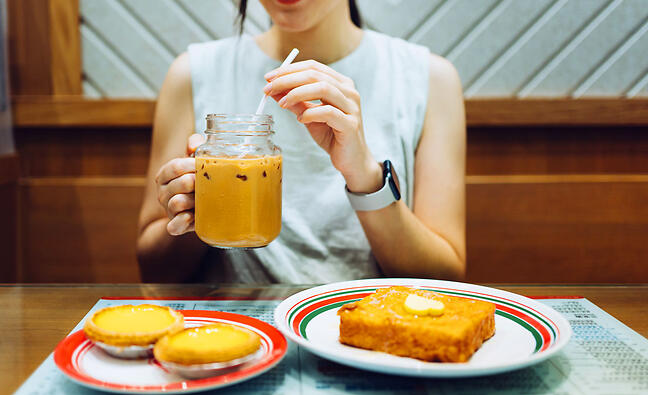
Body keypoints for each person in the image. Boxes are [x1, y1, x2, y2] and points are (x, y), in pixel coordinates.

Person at [136, 0, 466, 283]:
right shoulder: (193, 73)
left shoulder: (429, 79)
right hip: (240, 332)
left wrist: (366, 176)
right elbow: (153, 270)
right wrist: (200, 207)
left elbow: (445, 277)